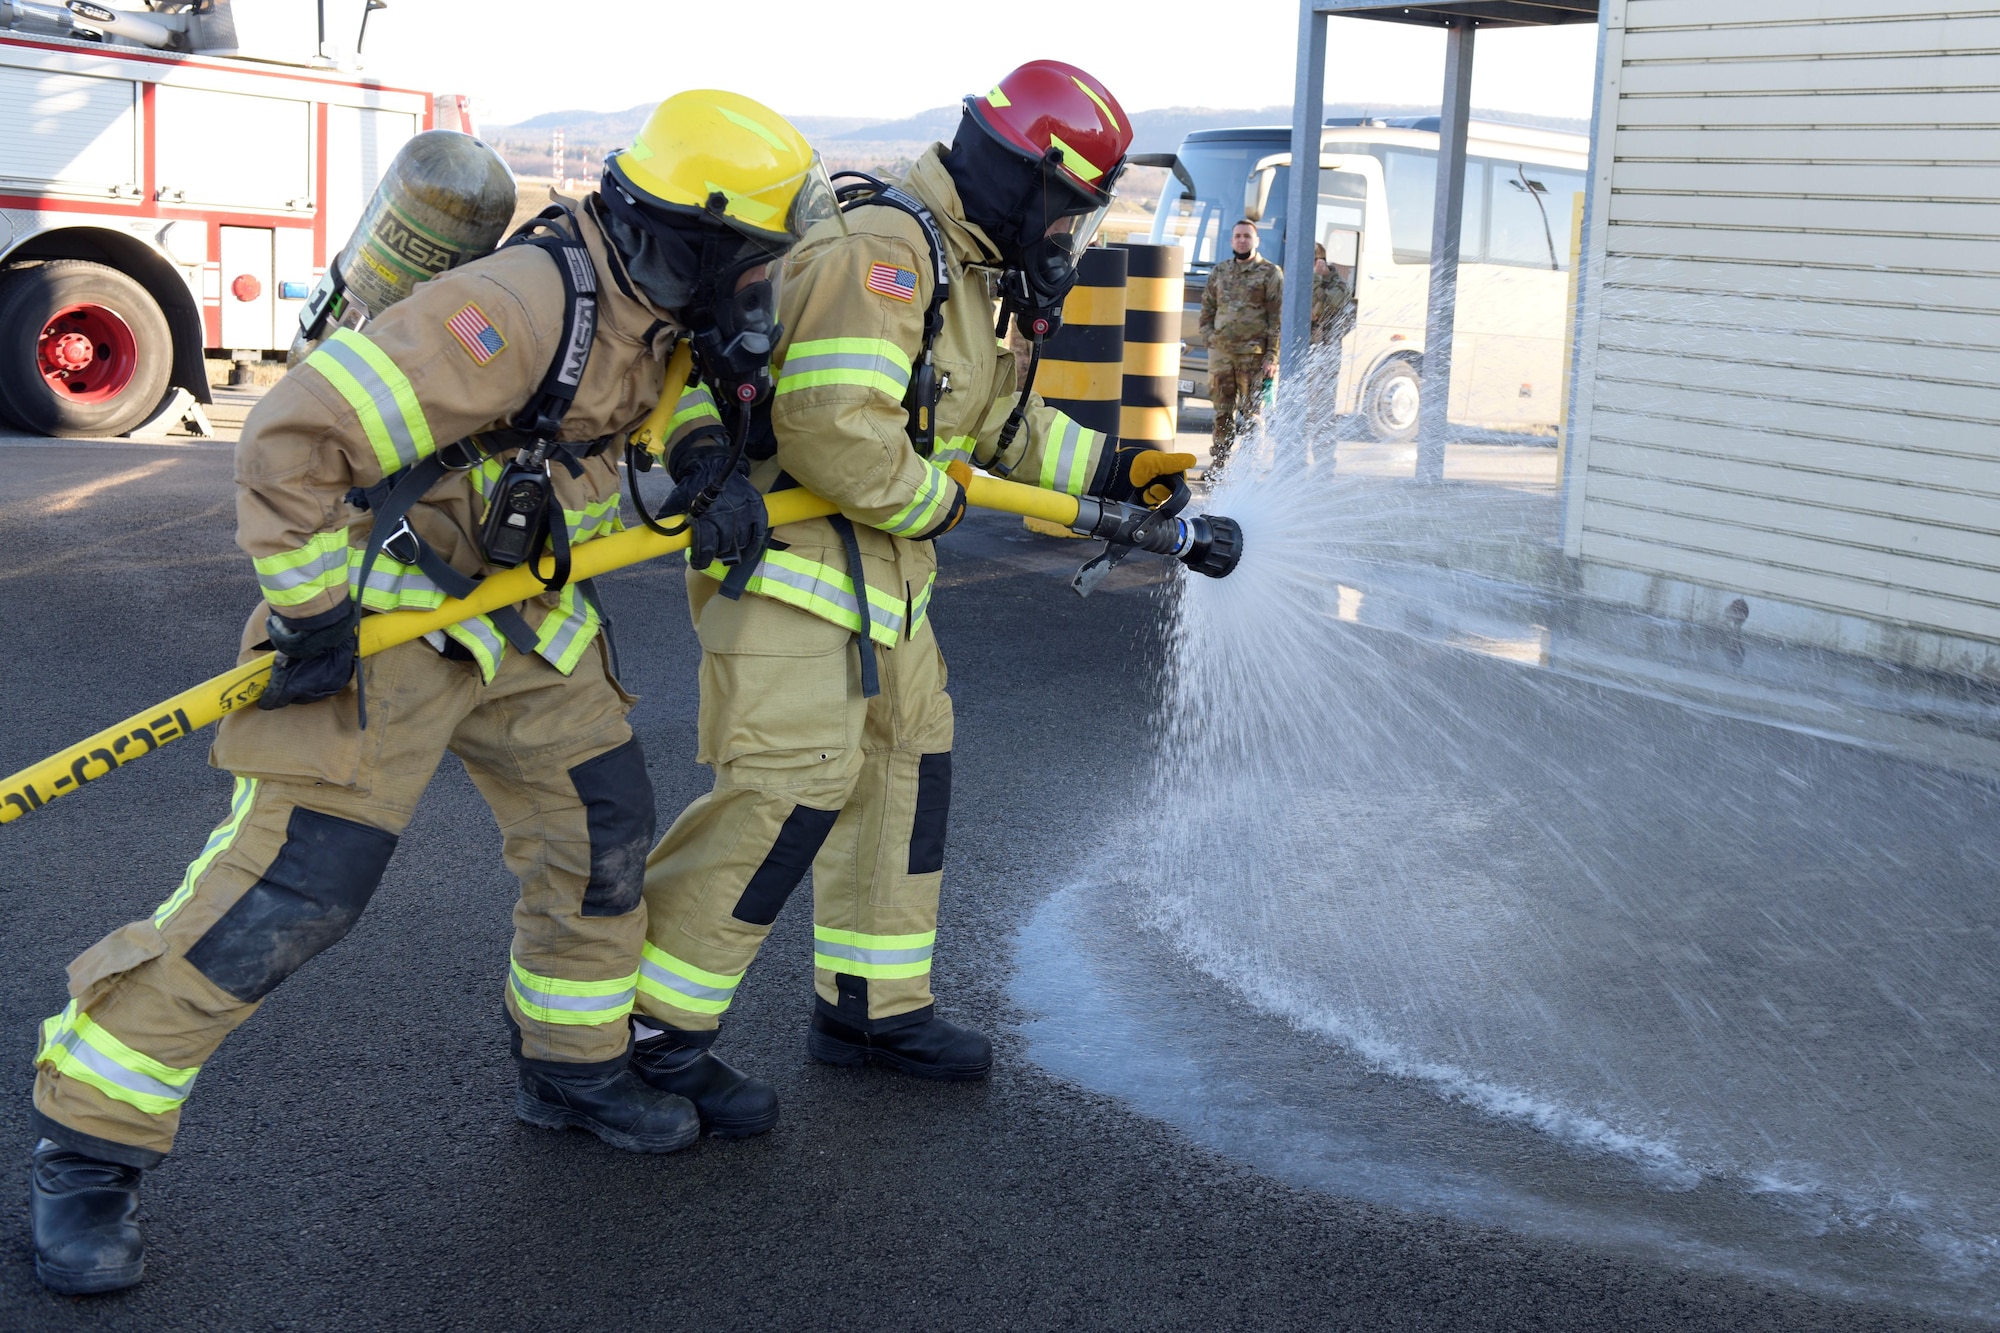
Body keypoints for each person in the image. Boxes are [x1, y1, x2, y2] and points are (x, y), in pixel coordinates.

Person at [24, 91, 836, 1296]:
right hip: (392, 613)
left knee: (598, 833)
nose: (760, 286)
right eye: (754, 260)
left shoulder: (661, 310)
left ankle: (571, 1064)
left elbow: (651, 429)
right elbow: (294, 437)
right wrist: (311, 614)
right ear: (693, 235)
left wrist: (706, 466)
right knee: (296, 889)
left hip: (522, 612)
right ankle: (88, 1143)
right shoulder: (513, 308)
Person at [622, 60, 1193, 1094]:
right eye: (1066, 210)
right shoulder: (883, 252)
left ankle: (870, 1015)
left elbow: (998, 428)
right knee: (777, 800)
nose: (1066, 235)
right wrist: (939, 504)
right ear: (1024, 182)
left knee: (902, 782)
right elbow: (832, 429)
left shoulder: (962, 268)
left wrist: (1116, 470)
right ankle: (650, 1038)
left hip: (884, 591)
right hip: (795, 581)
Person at [1199, 219, 1282, 469]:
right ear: (1231, 240)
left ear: (1256, 241)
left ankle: (1248, 468)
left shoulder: (1270, 273)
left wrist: (1272, 356)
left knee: (1252, 415)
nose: (1242, 240)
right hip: (1222, 356)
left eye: (1247, 236)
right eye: (1237, 236)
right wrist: (1210, 340)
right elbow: (1207, 309)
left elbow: (1277, 317)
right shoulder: (1220, 271)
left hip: (1253, 357)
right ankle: (1219, 466)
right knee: (1222, 412)